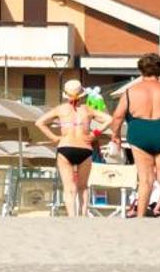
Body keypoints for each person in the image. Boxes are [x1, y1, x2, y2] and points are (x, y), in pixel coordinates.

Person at [107, 53, 160, 217]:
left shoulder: (131, 92)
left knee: (145, 178)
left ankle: (140, 214)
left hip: (139, 131)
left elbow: (117, 116)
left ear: (140, 70)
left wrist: (115, 135)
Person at [34, 78, 108, 219]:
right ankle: (83, 214)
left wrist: (53, 138)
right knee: (83, 186)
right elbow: (109, 119)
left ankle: (72, 216)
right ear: (82, 95)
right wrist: (94, 134)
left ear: (66, 95)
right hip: (84, 148)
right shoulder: (87, 109)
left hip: (65, 147)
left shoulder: (61, 109)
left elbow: (39, 122)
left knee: (69, 187)